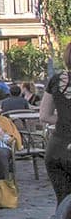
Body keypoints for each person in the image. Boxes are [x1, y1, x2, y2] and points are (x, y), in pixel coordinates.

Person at [41, 42, 71, 206]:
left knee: (63, 201)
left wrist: (65, 119)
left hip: (56, 150)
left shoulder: (55, 79)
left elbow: (44, 116)